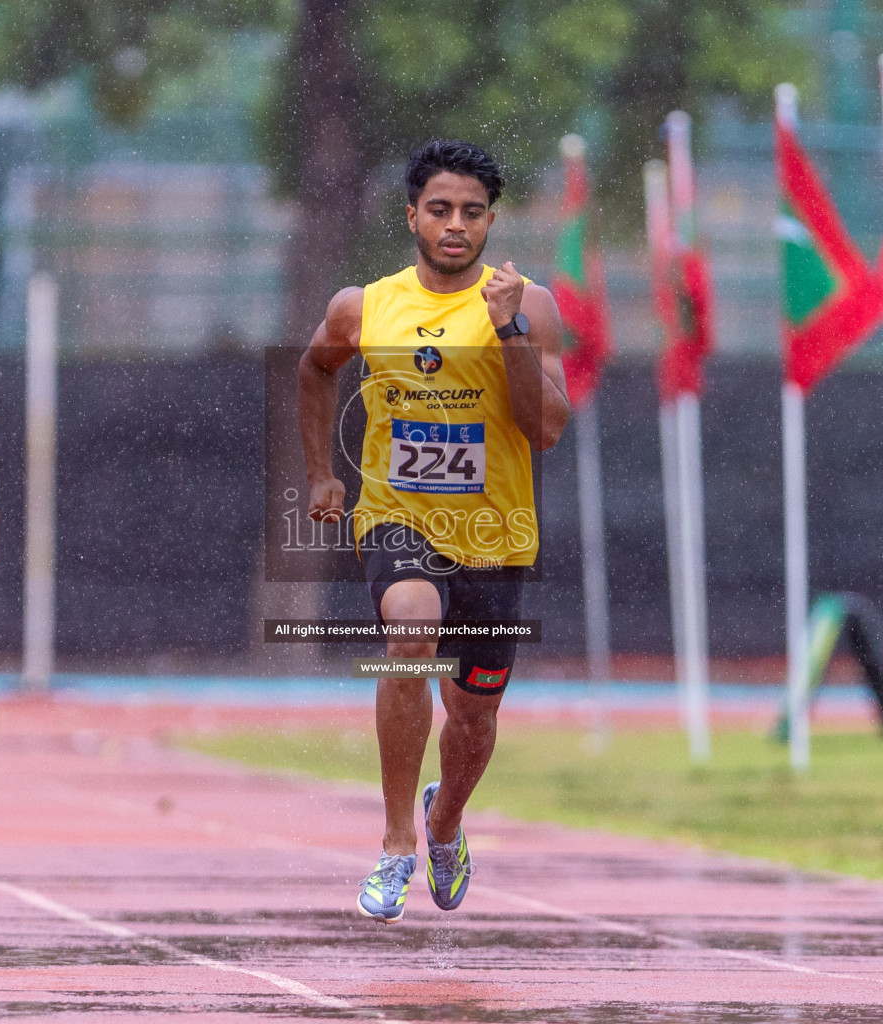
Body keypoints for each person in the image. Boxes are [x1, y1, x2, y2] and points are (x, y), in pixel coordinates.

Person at [298, 140, 569, 922]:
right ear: (411, 214)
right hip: (398, 517)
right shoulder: (364, 306)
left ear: (491, 221)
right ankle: (393, 846)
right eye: (441, 210)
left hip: (496, 532)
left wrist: (509, 331)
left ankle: (443, 820)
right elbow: (316, 370)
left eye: (473, 212)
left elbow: (545, 429)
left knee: (475, 714)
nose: (456, 226)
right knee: (409, 632)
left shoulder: (530, 305)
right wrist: (323, 473)